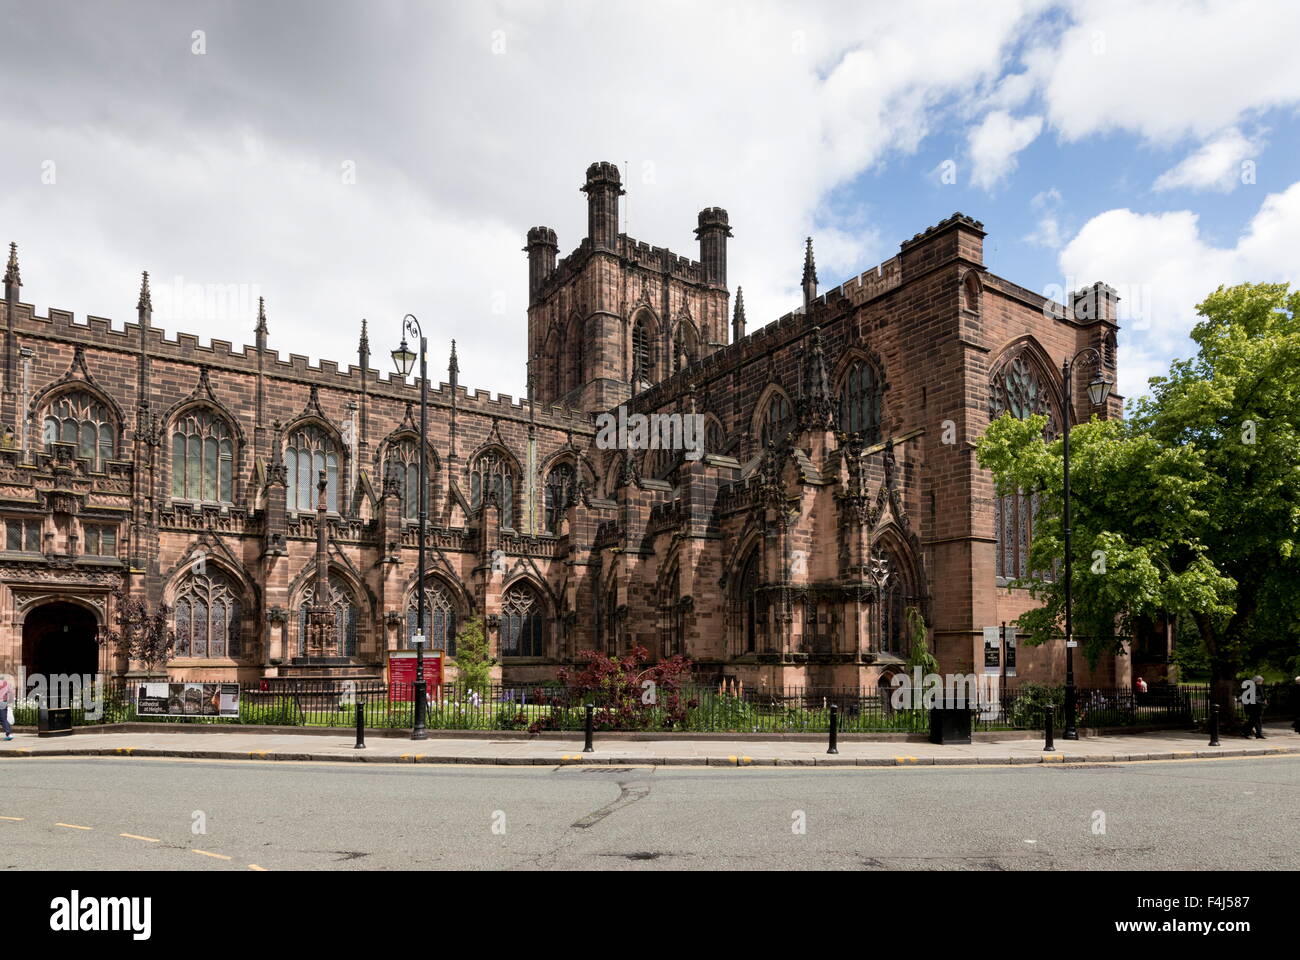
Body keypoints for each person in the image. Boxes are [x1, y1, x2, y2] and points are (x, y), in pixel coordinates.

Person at [1242, 675, 1266, 739]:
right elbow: (1254, 697)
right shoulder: (1253, 687)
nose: (1262, 682)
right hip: (1254, 707)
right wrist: (1262, 702)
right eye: (1261, 681)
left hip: (1257, 706)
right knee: (1253, 721)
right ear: (1257, 681)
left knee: (1257, 720)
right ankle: (1246, 732)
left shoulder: (1257, 686)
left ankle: (1258, 733)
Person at [0, 673, 15, 740]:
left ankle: (8, 734)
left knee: (3, 719)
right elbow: (11, 692)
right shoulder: (7, 684)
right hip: (4, 702)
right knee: (4, 719)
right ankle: (9, 734)